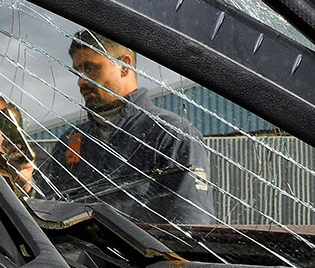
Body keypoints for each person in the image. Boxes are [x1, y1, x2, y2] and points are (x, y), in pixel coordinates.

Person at [37, 30, 215, 226]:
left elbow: (190, 225)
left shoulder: (170, 134)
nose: (81, 81)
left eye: (90, 68)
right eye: (77, 71)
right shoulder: (71, 141)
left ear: (124, 65)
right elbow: (44, 212)